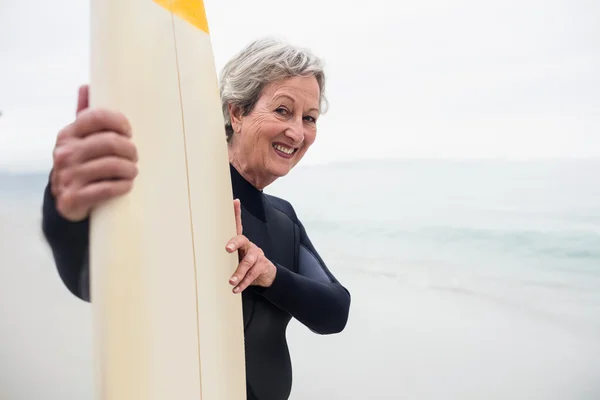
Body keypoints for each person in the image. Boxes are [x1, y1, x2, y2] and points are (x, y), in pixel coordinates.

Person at [41, 37, 351, 400]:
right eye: (283, 111)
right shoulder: (185, 196)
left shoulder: (283, 218)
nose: (297, 132)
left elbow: (335, 311)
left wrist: (270, 275)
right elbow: (92, 282)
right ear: (236, 113)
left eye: (309, 118)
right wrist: (65, 213)